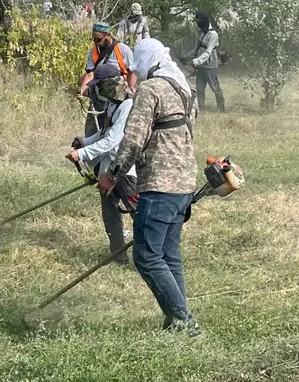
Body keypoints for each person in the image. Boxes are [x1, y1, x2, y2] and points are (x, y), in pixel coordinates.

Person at [97, 38, 201, 337]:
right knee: (168, 254)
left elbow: (133, 138)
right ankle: (176, 319)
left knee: (146, 256)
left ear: (146, 61)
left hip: (160, 183)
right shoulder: (182, 89)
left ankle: (184, 321)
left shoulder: (151, 89)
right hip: (183, 184)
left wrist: (112, 175)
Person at [67, 64, 137, 265]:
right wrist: (85, 141)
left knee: (138, 214)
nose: (99, 90)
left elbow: (113, 140)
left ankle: (150, 256)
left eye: (102, 85)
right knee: (110, 213)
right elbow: (105, 133)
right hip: (108, 167)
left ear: (113, 83)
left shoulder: (128, 106)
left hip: (125, 169)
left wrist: (82, 153)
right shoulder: (113, 103)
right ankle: (118, 256)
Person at [78, 22, 137, 137]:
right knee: (91, 131)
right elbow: (90, 74)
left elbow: (132, 71)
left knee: (113, 131)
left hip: (117, 98)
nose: (96, 42)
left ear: (107, 35)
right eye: (94, 39)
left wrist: (130, 89)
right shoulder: (93, 52)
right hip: (98, 97)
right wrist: (81, 90)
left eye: (98, 39)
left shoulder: (123, 50)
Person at [180, 11, 225, 112]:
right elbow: (195, 49)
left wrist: (195, 62)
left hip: (210, 65)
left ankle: (221, 107)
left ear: (203, 21)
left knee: (215, 87)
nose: (197, 23)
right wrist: (185, 57)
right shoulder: (200, 32)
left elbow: (207, 53)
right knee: (199, 88)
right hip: (200, 66)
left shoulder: (213, 35)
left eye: (198, 21)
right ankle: (200, 108)